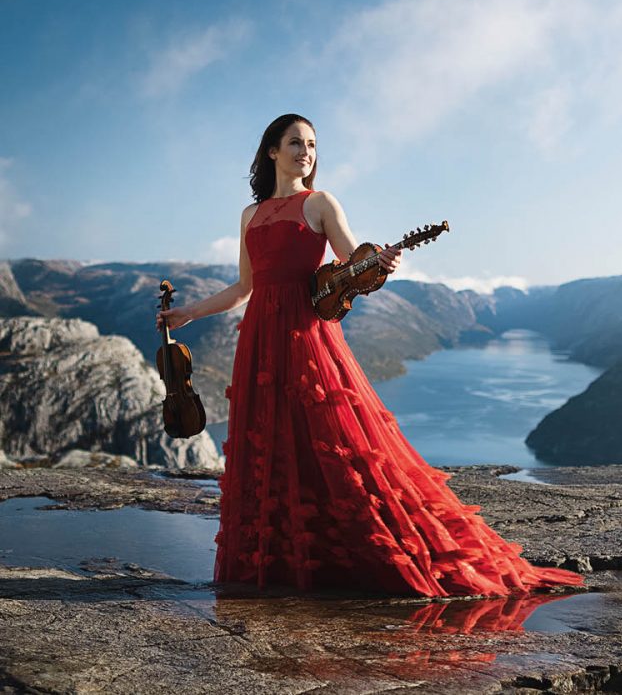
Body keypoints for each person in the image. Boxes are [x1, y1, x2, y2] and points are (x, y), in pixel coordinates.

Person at [157, 113, 586, 598]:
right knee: (269, 445)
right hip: (258, 338)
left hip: (306, 336)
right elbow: (244, 287)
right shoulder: (249, 216)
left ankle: (360, 559)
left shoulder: (319, 203)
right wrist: (189, 313)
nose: (306, 152)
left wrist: (381, 265)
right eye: (295, 143)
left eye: (313, 145)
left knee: (331, 443)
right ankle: (279, 568)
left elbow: (351, 264)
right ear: (272, 150)